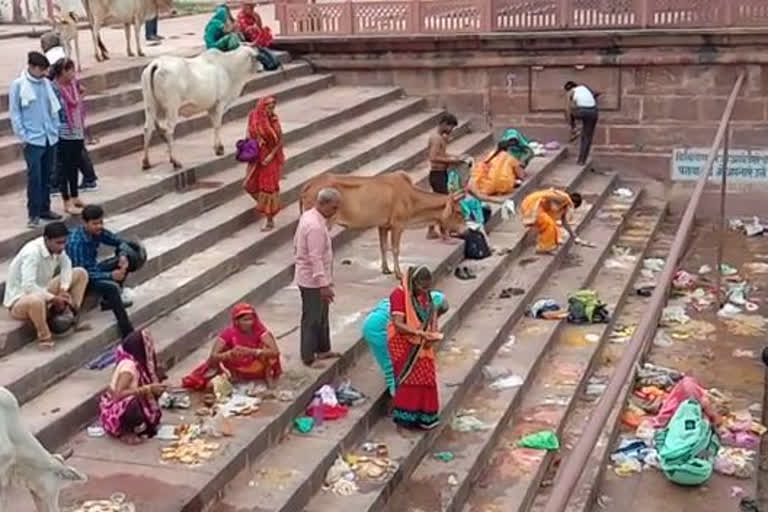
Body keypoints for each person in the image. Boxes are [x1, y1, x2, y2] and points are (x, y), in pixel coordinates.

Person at [3, 222, 88, 348]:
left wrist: (63, 289)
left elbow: (66, 266)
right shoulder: (32, 253)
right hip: (20, 299)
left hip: (44, 289)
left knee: (80, 273)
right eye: (59, 243)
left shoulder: (58, 250)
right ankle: (45, 337)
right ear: (47, 240)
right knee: (36, 300)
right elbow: (28, 286)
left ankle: (72, 318)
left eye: (64, 242)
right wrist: (53, 298)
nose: (62, 246)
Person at [9, 51, 63, 227]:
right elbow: (15, 113)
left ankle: (45, 209)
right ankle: (33, 214)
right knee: (35, 178)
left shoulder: (45, 84)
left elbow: (53, 108)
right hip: (33, 139)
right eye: (42, 69)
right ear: (33, 67)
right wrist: (23, 136)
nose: (44, 73)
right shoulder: (18, 85)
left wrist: (55, 128)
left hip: (49, 136)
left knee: (47, 176)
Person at [40, 33, 99, 191]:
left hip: (66, 115)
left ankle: (60, 183)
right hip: (74, 113)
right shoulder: (63, 57)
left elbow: (52, 80)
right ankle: (88, 178)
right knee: (75, 149)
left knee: (66, 151)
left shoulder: (54, 62)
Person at [362, 289, 448, 397]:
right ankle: (399, 403)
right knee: (392, 370)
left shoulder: (415, 299)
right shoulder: (421, 308)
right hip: (378, 328)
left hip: (376, 322)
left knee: (398, 365)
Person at [67, 204, 135, 337]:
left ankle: (109, 299)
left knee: (132, 254)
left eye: (100, 222)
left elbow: (120, 241)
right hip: (81, 279)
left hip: (93, 268)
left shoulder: (98, 232)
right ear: (85, 223)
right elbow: (84, 273)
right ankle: (127, 331)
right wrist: (111, 275)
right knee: (112, 287)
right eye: (95, 223)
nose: (99, 226)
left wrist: (123, 255)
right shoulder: (76, 243)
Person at [388, 266, 444, 430]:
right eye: (421, 287)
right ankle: (406, 417)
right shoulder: (399, 295)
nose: (424, 291)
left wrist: (432, 333)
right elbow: (398, 324)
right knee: (409, 379)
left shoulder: (426, 295)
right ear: (413, 283)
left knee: (426, 377)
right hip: (403, 342)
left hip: (423, 342)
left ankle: (425, 416)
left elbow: (432, 312)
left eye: (427, 287)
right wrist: (419, 333)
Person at [182, 303, 282, 390]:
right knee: (211, 381)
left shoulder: (260, 330)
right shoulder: (229, 333)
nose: (249, 323)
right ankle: (234, 376)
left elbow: (275, 352)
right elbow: (213, 356)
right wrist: (230, 353)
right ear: (237, 321)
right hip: (236, 364)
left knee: (266, 348)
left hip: (256, 363)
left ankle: (267, 376)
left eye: (251, 319)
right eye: (245, 320)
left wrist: (252, 351)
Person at [294, 187, 342, 367]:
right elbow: (315, 257)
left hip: (316, 277)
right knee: (312, 317)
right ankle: (308, 356)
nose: (335, 212)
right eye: (333, 208)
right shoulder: (314, 225)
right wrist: (323, 284)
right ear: (322, 204)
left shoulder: (311, 216)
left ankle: (323, 349)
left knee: (322, 315)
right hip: (312, 281)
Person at [100, 330, 166, 444]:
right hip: (114, 411)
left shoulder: (137, 363)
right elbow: (117, 395)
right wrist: (147, 389)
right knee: (133, 403)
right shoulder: (129, 366)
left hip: (122, 402)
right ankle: (126, 431)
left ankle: (140, 425)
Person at [50, 59, 87, 216]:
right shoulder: (54, 88)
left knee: (75, 164)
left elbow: (77, 102)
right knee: (65, 167)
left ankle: (75, 195)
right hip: (63, 131)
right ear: (63, 72)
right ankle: (66, 200)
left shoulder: (74, 84)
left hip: (77, 129)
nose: (73, 74)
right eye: (70, 70)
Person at [244, 96, 284, 231]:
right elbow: (248, 132)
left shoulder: (274, 120)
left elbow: (279, 141)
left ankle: (269, 219)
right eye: (268, 107)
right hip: (256, 156)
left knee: (267, 189)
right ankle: (266, 206)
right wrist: (250, 144)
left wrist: (271, 155)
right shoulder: (253, 116)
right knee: (249, 185)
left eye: (273, 108)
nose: (271, 110)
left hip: (269, 159)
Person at [427, 112, 467, 240]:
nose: (451, 130)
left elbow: (440, 154)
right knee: (445, 204)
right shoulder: (436, 139)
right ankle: (444, 233)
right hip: (437, 174)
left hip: (441, 174)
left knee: (438, 204)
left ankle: (432, 230)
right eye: (450, 127)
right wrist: (452, 161)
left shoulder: (440, 138)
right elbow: (433, 157)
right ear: (444, 124)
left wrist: (452, 157)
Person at [520, 188, 587, 254]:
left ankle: (546, 245)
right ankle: (544, 248)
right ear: (573, 203)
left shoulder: (564, 207)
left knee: (553, 226)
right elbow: (549, 194)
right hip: (534, 204)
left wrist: (573, 235)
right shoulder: (563, 197)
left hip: (540, 210)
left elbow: (565, 222)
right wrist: (558, 197)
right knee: (549, 224)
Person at [564, 81, 599, 165]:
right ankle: (581, 161)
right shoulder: (584, 87)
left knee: (569, 111)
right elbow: (595, 94)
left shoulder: (571, 92)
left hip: (582, 111)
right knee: (587, 137)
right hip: (593, 112)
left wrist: (571, 125)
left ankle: (575, 130)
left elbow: (567, 108)